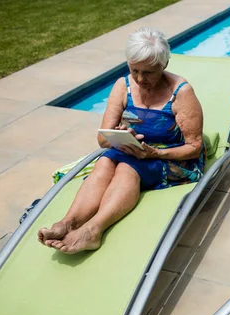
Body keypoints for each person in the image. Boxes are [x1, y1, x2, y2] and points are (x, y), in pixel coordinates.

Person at [38, 27, 204, 254]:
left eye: (148, 72)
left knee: (127, 168)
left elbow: (194, 148)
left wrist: (155, 154)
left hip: (173, 159)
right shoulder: (122, 86)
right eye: (134, 70)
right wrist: (119, 135)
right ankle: (69, 222)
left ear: (164, 65)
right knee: (105, 162)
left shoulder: (181, 92)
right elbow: (101, 139)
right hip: (131, 150)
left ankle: (93, 230)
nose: (139, 79)